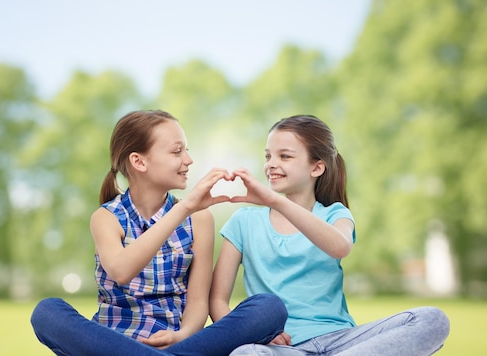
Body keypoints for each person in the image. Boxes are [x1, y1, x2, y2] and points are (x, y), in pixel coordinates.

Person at [31, 110, 287, 356]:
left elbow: (198, 301)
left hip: (177, 342)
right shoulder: (107, 218)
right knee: (47, 312)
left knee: (269, 308)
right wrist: (184, 208)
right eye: (177, 151)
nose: (188, 159)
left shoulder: (199, 220)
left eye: (187, 150)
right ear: (139, 161)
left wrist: (182, 335)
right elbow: (121, 270)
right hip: (112, 342)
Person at [209, 115, 450, 355]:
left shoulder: (335, 214)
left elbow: (339, 247)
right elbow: (218, 300)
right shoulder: (244, 222)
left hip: (342, 342)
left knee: (432, 319)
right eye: (268, 156)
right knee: (246, 354)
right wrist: (255, 334)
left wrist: (275, 201)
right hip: (283, 349)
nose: (271, 164)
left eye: (285, 156)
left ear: (317, 167)